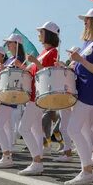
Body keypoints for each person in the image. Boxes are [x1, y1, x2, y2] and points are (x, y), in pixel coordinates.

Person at [62, 9, 93, 185]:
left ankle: (87, 171)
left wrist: (80, 61)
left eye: (88, 20)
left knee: (74, 129)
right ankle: (87, 169)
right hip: (80, 88)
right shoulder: (88, 42)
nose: (85, 23)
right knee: (78, 129)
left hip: (90, 89)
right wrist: (72, 64)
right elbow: (83, 66)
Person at [20, 22, 61, 176]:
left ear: (47, 34)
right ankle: (38, 160)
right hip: (34, 94)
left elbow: (51, 75)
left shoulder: (53, 52)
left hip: (39, 95)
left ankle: (36, 161)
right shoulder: (44, 52)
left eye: (41, 32)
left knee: (23, 128)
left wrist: (35, 62)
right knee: (36, 129)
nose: (38, 35)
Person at [0, 43, 21, 169]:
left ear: (1, 55)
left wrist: (2, 71)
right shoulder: (2, 64)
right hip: (4, 97)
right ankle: (8, 155)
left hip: (7, 97)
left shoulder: (10, 62)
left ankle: (6, 156)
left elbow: (13, 78)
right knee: (5, 127)